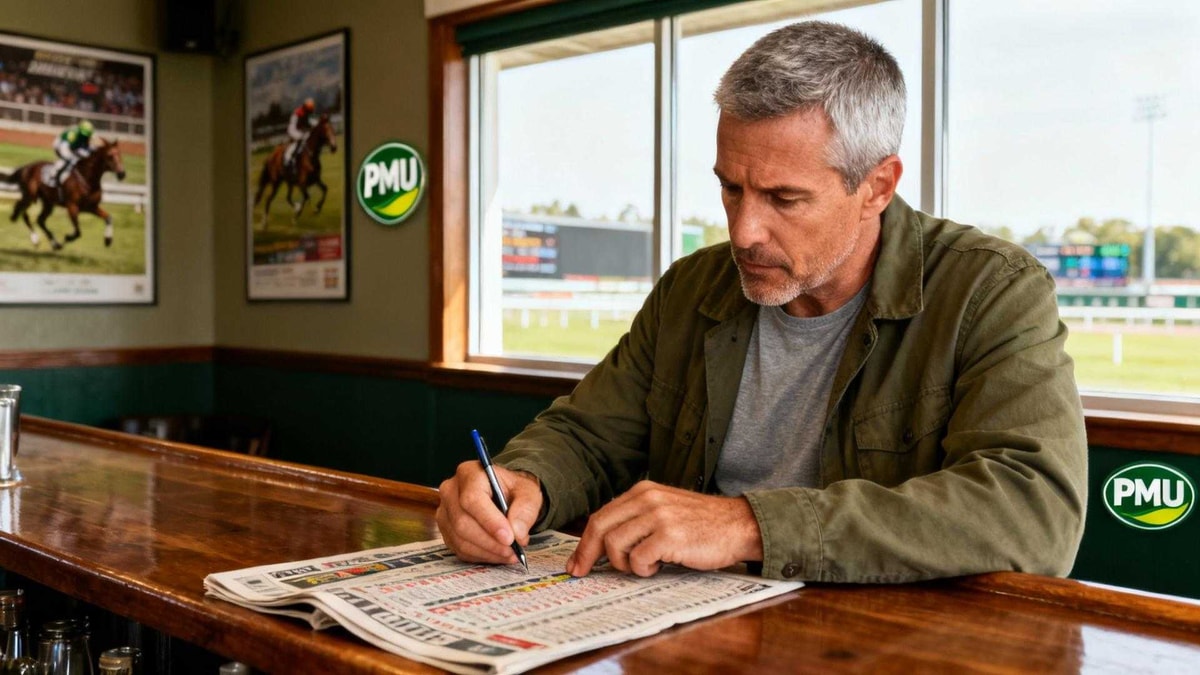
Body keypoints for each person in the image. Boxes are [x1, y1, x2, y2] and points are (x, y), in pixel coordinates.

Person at [436, 21, 1088, 583]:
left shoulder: (992, 289)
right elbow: (586, 434)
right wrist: (523, 482)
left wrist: (751, 524)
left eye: (783, 198)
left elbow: (1035, 509)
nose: (744, 231)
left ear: (878, 185)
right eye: (730, 189)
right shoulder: (692, 288)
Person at [52, 119, 93, 189]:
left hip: (73, 145)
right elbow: (71, 148)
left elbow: (86, 146)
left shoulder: (87, 134)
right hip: (62, 143)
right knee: (68, 158)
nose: (85, 136)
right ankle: (55, 172)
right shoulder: (73, 133)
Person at [284, 98, 317, 171]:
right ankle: (288, 158)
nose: (311, 111)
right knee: (300, 139)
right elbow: (296, 125)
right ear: (306, 108)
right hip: (292, 130)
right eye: (310, 110)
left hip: (299, 130)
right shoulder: (298, 113)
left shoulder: (306, 113)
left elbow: (310, 122)